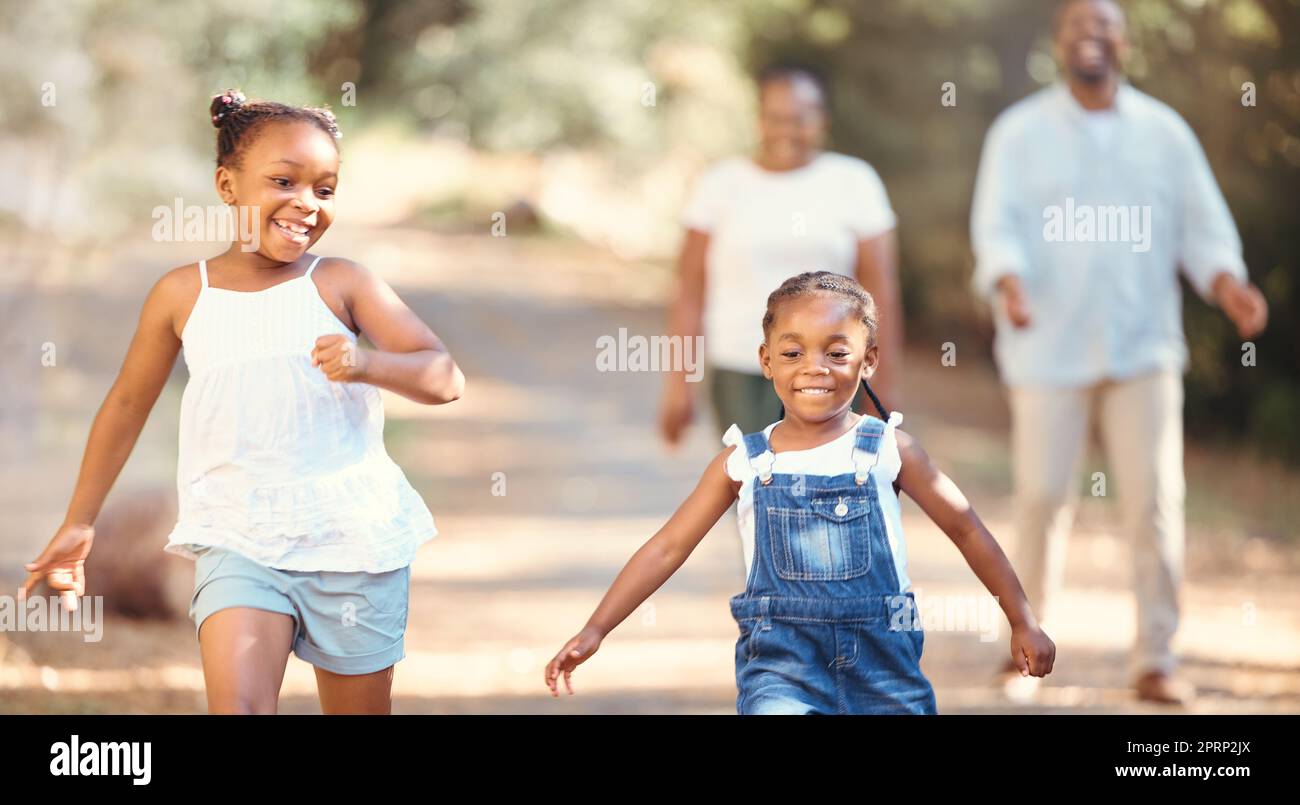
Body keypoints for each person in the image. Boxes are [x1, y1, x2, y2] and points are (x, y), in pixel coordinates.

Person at [18, 89, 465, 714]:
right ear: (227, 185)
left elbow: (444, 376)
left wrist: (368, 362)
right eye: (284, 181)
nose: (306, 204)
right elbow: (125, 405)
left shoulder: (341, 283)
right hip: (238, 534)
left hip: (352, 539)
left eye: (325, 189)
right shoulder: (182, 294)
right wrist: (80, 521)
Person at [546, 272, 1054, 714]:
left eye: (837, 352)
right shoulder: (742, 462)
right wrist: (596, 629)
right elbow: (667, 547)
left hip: (884, 667)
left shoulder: (890, 450)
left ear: (868, 360)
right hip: (780, 670)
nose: (815, 367)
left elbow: (966, 527)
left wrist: (1022, 620)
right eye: (793, 353)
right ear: (767, 362)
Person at [970, 0, 1268, 705]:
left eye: (1104, 27)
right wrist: (1008, 284)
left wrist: (1227, 284)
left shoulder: (1164, 134)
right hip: (1048, 345)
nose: (1091, 38)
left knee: (1155, 502)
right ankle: (1025, 650)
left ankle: (1156, 659)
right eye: (1077, 27)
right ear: (1059, 43)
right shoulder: (1019, 134)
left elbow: (1202, 227)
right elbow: (996, 224)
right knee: (1042, 498)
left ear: (1124, 43)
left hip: (1143, 348)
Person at [659, 63, 904, 446]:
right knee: (751, 493)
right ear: (759, 120)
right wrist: (679, 383)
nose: (788, 130)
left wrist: (883, 384)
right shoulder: (720, 185)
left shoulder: (854, 182)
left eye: (801, 118)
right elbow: (689, 290)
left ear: (821, 119)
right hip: (741, 370)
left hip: (831, 371)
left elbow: (881, 291)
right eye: (776, 118)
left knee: (829, 493)